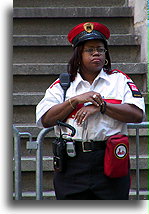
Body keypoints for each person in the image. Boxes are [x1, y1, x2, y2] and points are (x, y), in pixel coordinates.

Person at [36, 22, 145, 200]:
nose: (96, 53)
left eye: (100, 49)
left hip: (110, 161)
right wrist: (75, 100)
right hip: (72, 163)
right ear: (78, 56)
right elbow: (45, 119)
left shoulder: (120, 81)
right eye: (90, 50)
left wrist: (102, 106)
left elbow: (137, 114)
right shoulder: (63, 85)